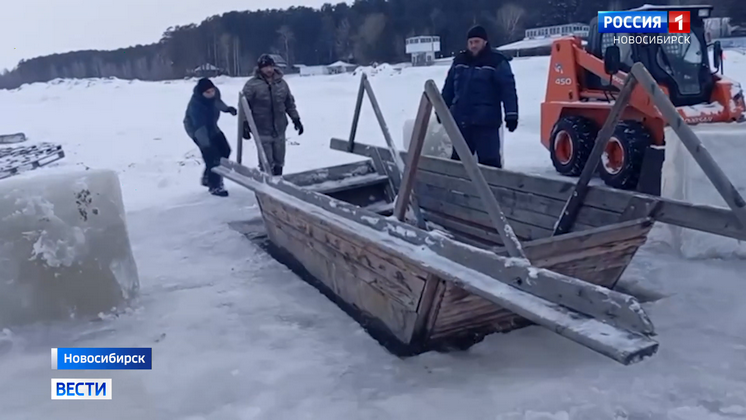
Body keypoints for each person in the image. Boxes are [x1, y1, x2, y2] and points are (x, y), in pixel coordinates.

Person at [440, 25, 518, 168]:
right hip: (461, 121)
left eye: (476, 42)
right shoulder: (459, 61)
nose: (473, 45)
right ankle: (461, 190)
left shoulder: (497, 61)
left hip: (486, 123)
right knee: (459, 163)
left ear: (485, 42)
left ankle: (492, 189)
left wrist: (511, 114)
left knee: (489, 164)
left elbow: (508, 89)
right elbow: (449, 88)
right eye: (471, 42)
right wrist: (441, 110)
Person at [241, 54, 303, 176]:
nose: (269, 70)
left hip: (279, 128)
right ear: (260, 69)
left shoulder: (282, 83)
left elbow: (289, 103)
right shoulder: (252, 85)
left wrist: (296, 119)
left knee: (279, 160)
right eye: (265, 67)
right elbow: (244, 106)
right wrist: (244, 124)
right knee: (266, 161)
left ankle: (278, 184)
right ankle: (266, 188)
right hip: (262, 128)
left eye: (270, 66)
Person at [184, 78, 237, 197]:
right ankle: (215, 186)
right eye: (208, 92)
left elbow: (217, 102)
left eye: (212, 91)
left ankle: (208, 177)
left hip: (212, 126)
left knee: (225, 150)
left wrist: (227, 109)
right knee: (212, 156)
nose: (211, 94)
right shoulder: (196, 106)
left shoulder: (214, 94)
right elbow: (200, 128)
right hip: (197, 129)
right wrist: (206, 146)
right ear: (202, 93)